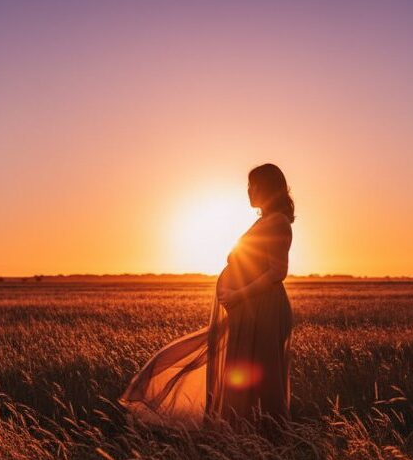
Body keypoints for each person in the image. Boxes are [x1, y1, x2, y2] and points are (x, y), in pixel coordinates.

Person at [120, 163, 295, 431]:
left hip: (264, 310)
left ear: (269, 188)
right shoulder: (264, 221)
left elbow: (277, 272)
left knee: (260, 377)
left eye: (254, 185)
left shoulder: (278, 221)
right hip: (248, 310)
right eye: (248, 185)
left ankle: (267, 441)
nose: (248, 191)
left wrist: (238, 294)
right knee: (240, 373)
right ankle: (242, 435)